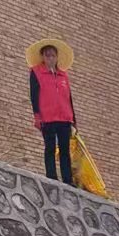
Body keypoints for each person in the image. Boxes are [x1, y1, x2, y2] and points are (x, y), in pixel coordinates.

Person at [27, 38, 76, 186]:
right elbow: (34, 95)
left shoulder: (63, 75)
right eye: (47, 55)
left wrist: (74, 120)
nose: (50, 57)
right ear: (42, 57)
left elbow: (69, 98)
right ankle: (51, 177)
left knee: (65, 150)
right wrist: (37, 116)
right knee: (50, 147)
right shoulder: (36, 72)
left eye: (53, 55)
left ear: (57, 57)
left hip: (64, 117)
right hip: (47, 117)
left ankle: (68, 179)